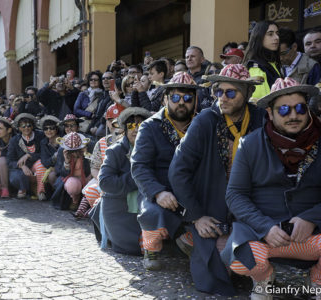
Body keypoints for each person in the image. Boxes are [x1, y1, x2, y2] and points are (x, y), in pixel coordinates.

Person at [169, 64, 265, 296]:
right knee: (217, 274)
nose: (223, 97)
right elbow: (177, 171)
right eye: (218, 91)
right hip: (212, 206)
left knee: (250, 256)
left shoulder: (261, 119)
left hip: (251, 203)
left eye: (231, 92)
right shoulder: (205, 120)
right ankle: (189, 236)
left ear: (248, 94)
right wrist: (196, 216)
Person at [221, 78, 321, 300]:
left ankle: (317, 279)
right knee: (241, 260)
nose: (293, 115)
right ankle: (264, 277)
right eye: (284, 109)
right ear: (270, 113)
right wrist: (265, 227)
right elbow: (235, 195)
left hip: (313, 234)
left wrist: (312, 218)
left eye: (300, 108)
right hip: (264, 234)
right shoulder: (250, 145)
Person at [131, 72, 201, 270]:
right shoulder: (149, 127)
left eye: (188, 98)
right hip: (161, 190)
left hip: (193, 190)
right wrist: (158, 192)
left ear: (195, 101)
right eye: (175, 98)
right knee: (152, 213)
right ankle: (151, 245)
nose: (182, 103)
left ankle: (182, 234)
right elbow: (139, 166)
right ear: (165, 99)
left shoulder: (203, 125)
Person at [98, 107, 151, 255]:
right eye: (131, 126)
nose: (136, 130)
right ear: (125, 129)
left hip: (147, 205)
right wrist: (138, 177)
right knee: (134, 249)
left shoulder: (152, 149)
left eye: (140, 125)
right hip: (120, 210)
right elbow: (105, 182)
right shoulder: (115, 151)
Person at [76, 103, 125, 219]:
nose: (113, 123)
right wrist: (101, 179)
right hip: (103, 178)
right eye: (110, 120)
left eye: (117, 120)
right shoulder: (102, 142)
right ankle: (94, 211)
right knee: (92, 190)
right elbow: (94, 167)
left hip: (123, 180)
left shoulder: (132, 142)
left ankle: (94, 211)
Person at [7, 113, 46, 199]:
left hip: (37, 166)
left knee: (40, 164)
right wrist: (22, 166)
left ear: (32, 126)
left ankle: (40, 191)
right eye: (23, 126)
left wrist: (29, 155)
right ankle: (23, 188)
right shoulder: (14, 140)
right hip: (21, 169)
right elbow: (9, 161)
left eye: (29, 125)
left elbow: (44, 154)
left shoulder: (40, 136)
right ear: (19, 128)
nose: (26, 128)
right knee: (17, 176)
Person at [243, 20, 283, 102]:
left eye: (277, 33)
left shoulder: (272, 63)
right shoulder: (255, 67)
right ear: (259, 37)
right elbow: (260, 104)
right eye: (270, 34)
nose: (276, 37)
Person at [51, 132, 91, 210]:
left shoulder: (87, 150)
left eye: (77, 149)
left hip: (86, 177)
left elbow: (91, 168)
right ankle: (75, 199)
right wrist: (66, 161)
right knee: (73, 185)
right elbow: (61, 173)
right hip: (71, 179)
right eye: (71, 150)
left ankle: (86, 202)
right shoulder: (62, 151)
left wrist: (85, 155)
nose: (74, 152)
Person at [39, 115, 61, 195]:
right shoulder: (43, 142)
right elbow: (45, 162)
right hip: (53, 170)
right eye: (46, 128)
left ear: (57, 129)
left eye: (51, 128)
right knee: (51, 175)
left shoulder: (63, 140)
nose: (49, 131)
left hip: (64, 169)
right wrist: (55, 157)